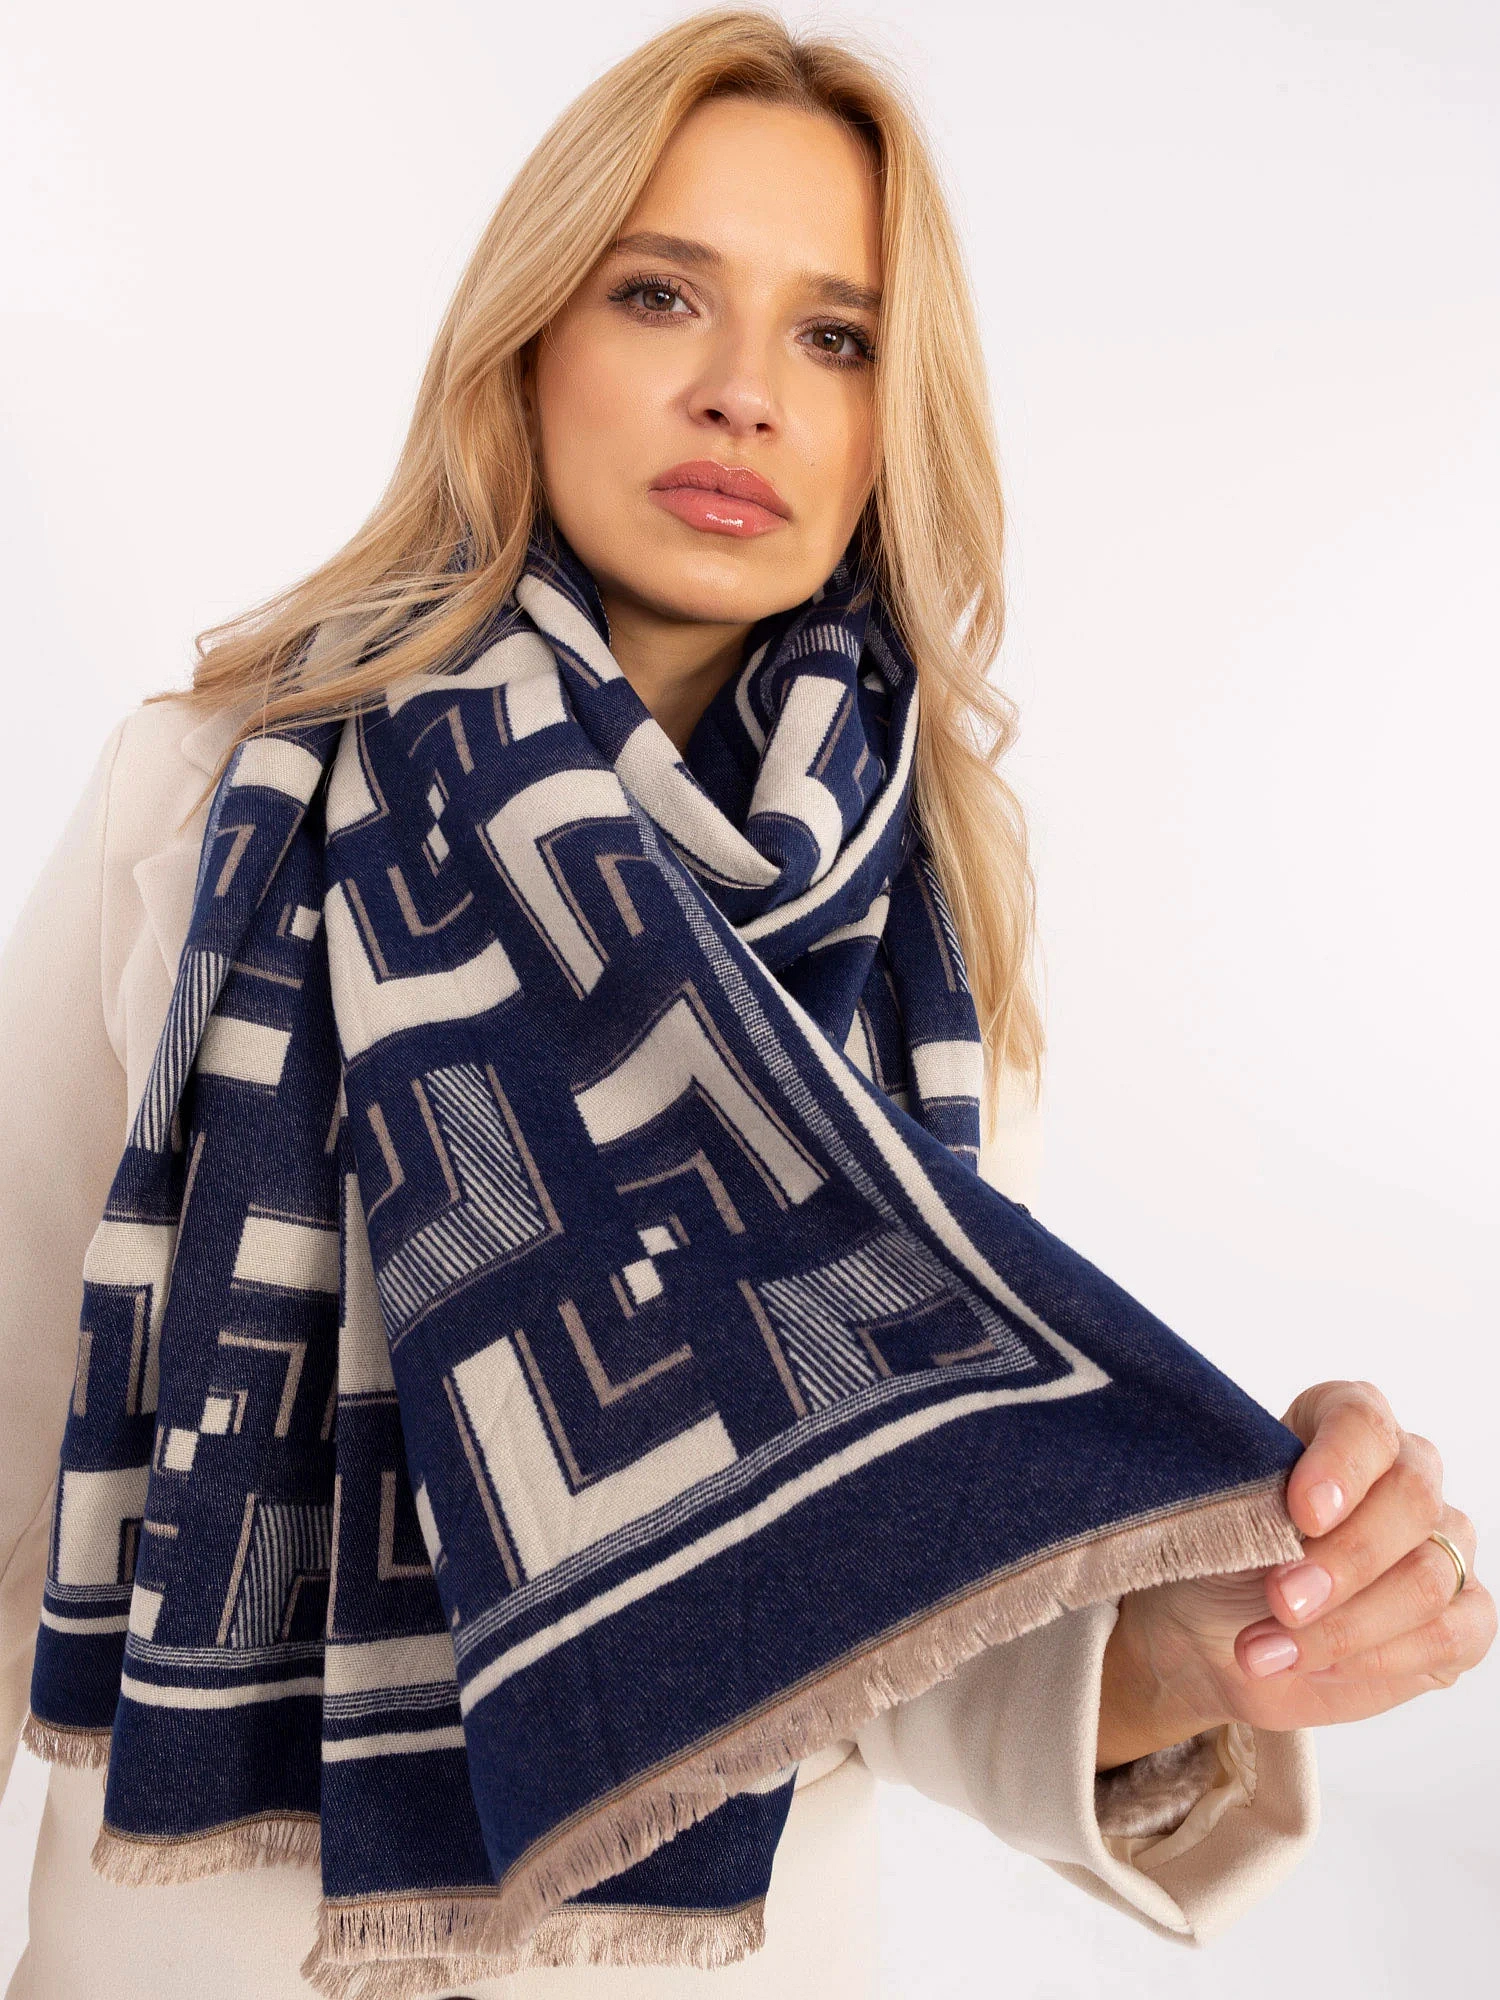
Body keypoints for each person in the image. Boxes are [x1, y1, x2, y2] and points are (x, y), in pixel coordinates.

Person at [0, 10, 1490, 1997]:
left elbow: (873, 1596)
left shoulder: (933, 905)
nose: (742, 393)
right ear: (529, 340)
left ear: (891, 420)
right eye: (660, 294)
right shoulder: (217, 798)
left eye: (836, 335)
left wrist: (1203, 1643)